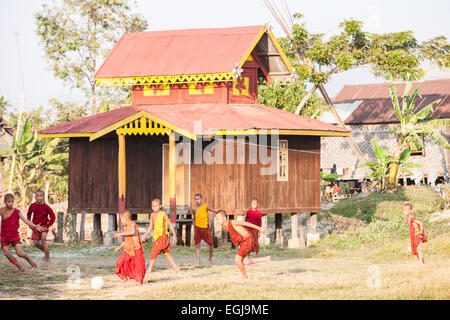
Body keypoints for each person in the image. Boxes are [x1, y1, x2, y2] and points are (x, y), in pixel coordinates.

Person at [215, 210, 271, 279]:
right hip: (243, 242)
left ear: (224, 218)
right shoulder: (225, 226)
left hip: (247, 241)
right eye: (216, 219)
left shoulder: (232, 222)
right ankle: (266, 259)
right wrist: (240, 246)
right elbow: (237, 234)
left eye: (218, 218)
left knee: (237, 260)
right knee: (245, 261)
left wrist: (259, 228)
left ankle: (244, 276)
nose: (217, 220)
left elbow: (246, 223)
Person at [1, 194, 45, 272]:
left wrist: (35, 226)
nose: (10, 203)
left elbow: (26, 220)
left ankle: (32, 263)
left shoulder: (17, 211)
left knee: (20, 253)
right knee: (7, 254)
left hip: (14, 236)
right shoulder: (1, 210)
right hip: (4, 236)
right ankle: (20, 267)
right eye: (8, 202)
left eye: (12, 201)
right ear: (4, 202)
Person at [143, 199, 179, 280]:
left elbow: (170, 224)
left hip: (162, 236)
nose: (154, 208)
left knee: (154, 252)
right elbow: (150, 227)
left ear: (160, 206)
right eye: (153, 206)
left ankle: (149, 270)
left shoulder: (163, 214)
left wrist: (174, 235)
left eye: (156, 206)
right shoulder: (152, 215)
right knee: (165, 253)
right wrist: (145, 235)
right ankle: (176, 268)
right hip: (157, 236)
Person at [114, 210, 146, 285]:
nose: (121, 222)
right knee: (120, 263)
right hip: (128, 250)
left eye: (121, 220)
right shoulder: (126, 228)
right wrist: (120, 247)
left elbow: (132, 232)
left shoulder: (133, 225)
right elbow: (127, 240)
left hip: (136, 249)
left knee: (139, 267)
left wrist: (120, 234)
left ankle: (140, 282)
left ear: (126, 218)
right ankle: (124, 278)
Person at [27, 190, 56, 262]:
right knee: (35, 242)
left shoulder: (46, 207)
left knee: (43, 240)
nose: (39, 198)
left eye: (41, 196)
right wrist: (30, 224)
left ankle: (47, 258)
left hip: (44, 226)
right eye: (37, 196)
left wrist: (47, 225)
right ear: (35, 197)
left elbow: (53, 216)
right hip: (35, 226)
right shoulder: (32, 206)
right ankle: (47, 253)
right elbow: (28, 214)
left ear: (43, 197)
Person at [189, 193, 218, 265]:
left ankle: (210, 258)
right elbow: (194, 218)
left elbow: (215, 212)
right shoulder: (194, 208)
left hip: (205, 227)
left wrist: (210, 220)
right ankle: (198, 260)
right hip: (197, 227)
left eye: (198, 199)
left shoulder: (205, 206)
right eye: (195, 199)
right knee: (197, 244)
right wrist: (194, 226)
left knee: (211, 244)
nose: (197, 200)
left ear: (201, 199)